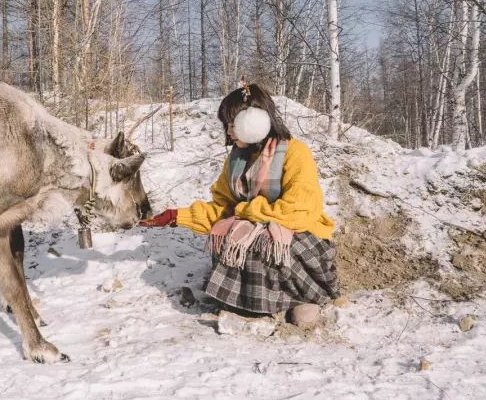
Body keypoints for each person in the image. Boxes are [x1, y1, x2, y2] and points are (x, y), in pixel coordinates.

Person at [141, 82, 339, 321]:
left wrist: (246, 211)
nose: (228, 132)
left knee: (260, 241)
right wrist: (176, 216)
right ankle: (254, 303)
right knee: (228, 234)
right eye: (227, 125)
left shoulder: (296, 153)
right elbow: (223, 209)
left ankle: (302, 298)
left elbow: (299, 211)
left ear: (255, 121)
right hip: (260, 229)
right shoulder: (237, 160)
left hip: (300, 237)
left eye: (232, 125)